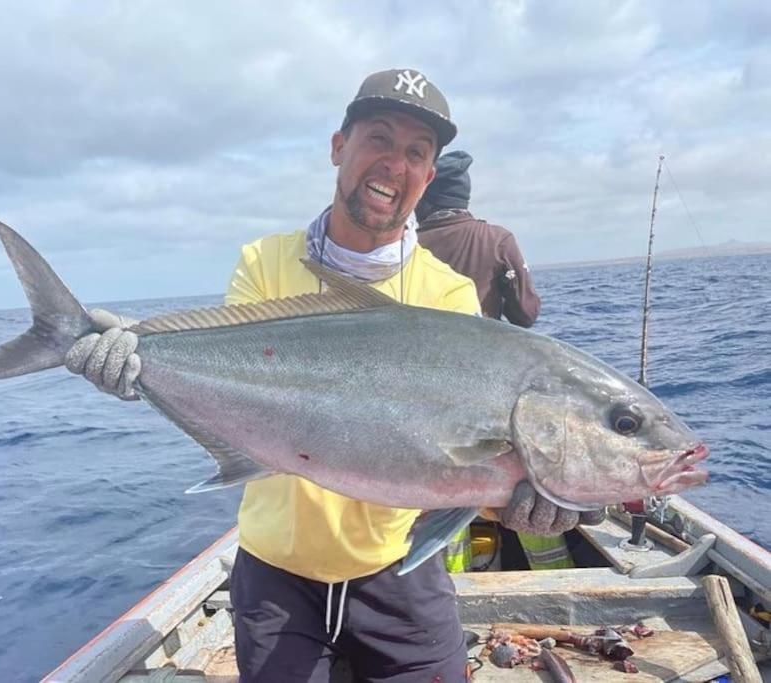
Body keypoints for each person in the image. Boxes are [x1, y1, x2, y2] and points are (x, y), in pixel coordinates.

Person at [64, 69, 598, 682]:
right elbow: (227, 376)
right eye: (379, 139)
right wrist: (137, 361)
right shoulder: (266, 262)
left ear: (428, 176)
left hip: (396, 565)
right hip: (275, 570)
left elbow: (456, 458)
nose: (394, 164)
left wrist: (514, 503)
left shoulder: (446, 294)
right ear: (339, 146)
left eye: (416, 153)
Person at [416, 152, 604, 572]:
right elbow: (525, 314)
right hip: (496, 389)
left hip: (424, 393)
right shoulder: (497, 239)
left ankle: (454, 584)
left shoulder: (409, 249)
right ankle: (553, 580)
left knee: (449, 485)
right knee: (531, 474)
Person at [416, 150, 540, 327]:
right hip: (483, 352)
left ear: (424, 199)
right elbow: (526, 315)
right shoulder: (498, 240)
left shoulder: (405, 246)